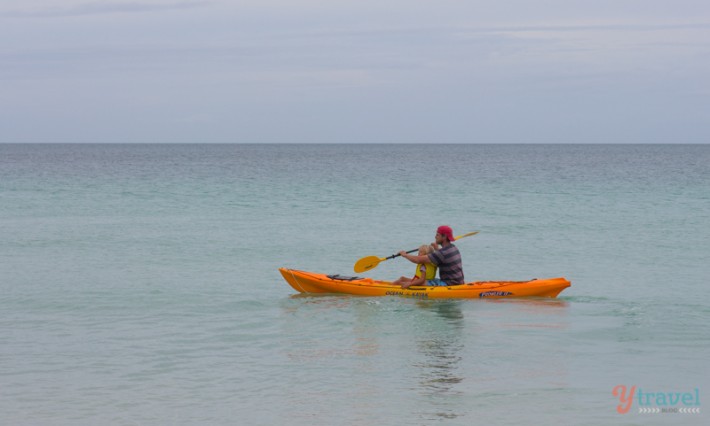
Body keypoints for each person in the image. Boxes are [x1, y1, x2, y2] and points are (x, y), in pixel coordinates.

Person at [399, 225, 464, 286]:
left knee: (421, 281)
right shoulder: (453, 248)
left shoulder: (441, 253)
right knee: (421, 280)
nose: (435, 237)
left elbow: (418, 260)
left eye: (437, 235)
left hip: (449, 284)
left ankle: (397, 288)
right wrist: (436, 249)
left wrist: (405, 255)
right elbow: (443, 256)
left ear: (444, 237)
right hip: (459, 281)